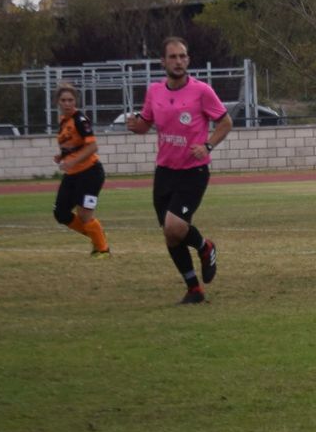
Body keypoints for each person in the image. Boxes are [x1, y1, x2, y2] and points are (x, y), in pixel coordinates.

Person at [125, 36, 230, 304]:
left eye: (183, 56)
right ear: (163, 62)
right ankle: (194, 288)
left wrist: (207, 146)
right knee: (171, 235)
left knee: (175, 225)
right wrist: (135, 125)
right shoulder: (154, 92)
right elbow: (145, 123)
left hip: (193, 171)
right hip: (165, 171)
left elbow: (225, 122)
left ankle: (206, 247)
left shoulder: (202, 91)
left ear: (188, 60)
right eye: (173, 57)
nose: (179, 61)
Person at [51, 82, 111, 257]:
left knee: (84, 214)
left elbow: (92, 147)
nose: (67, 103)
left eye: (70, 100)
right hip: (72, 174)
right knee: (60, 213)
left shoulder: (80, 119)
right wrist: (62, 156)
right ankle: (97, 235)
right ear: (58, 102)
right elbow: (72, 146)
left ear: (75, 101)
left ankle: (102, 249)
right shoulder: (63, 122)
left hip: (90, 173)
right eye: (63, 100)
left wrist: (73, 161)